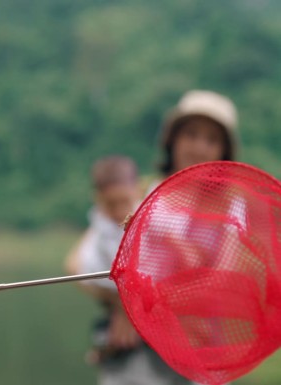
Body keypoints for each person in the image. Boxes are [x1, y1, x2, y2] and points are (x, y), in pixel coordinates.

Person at [65, 89, 239, 385]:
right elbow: (75, 265)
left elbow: (223, 282)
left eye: (211, 139)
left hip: (198, 355)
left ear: (224, 150)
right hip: (134, 357)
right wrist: (124, 304)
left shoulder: (234, 208)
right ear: (172, 139)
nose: (199, 146)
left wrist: (146, 308)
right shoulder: (139, 194)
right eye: (191, 134)